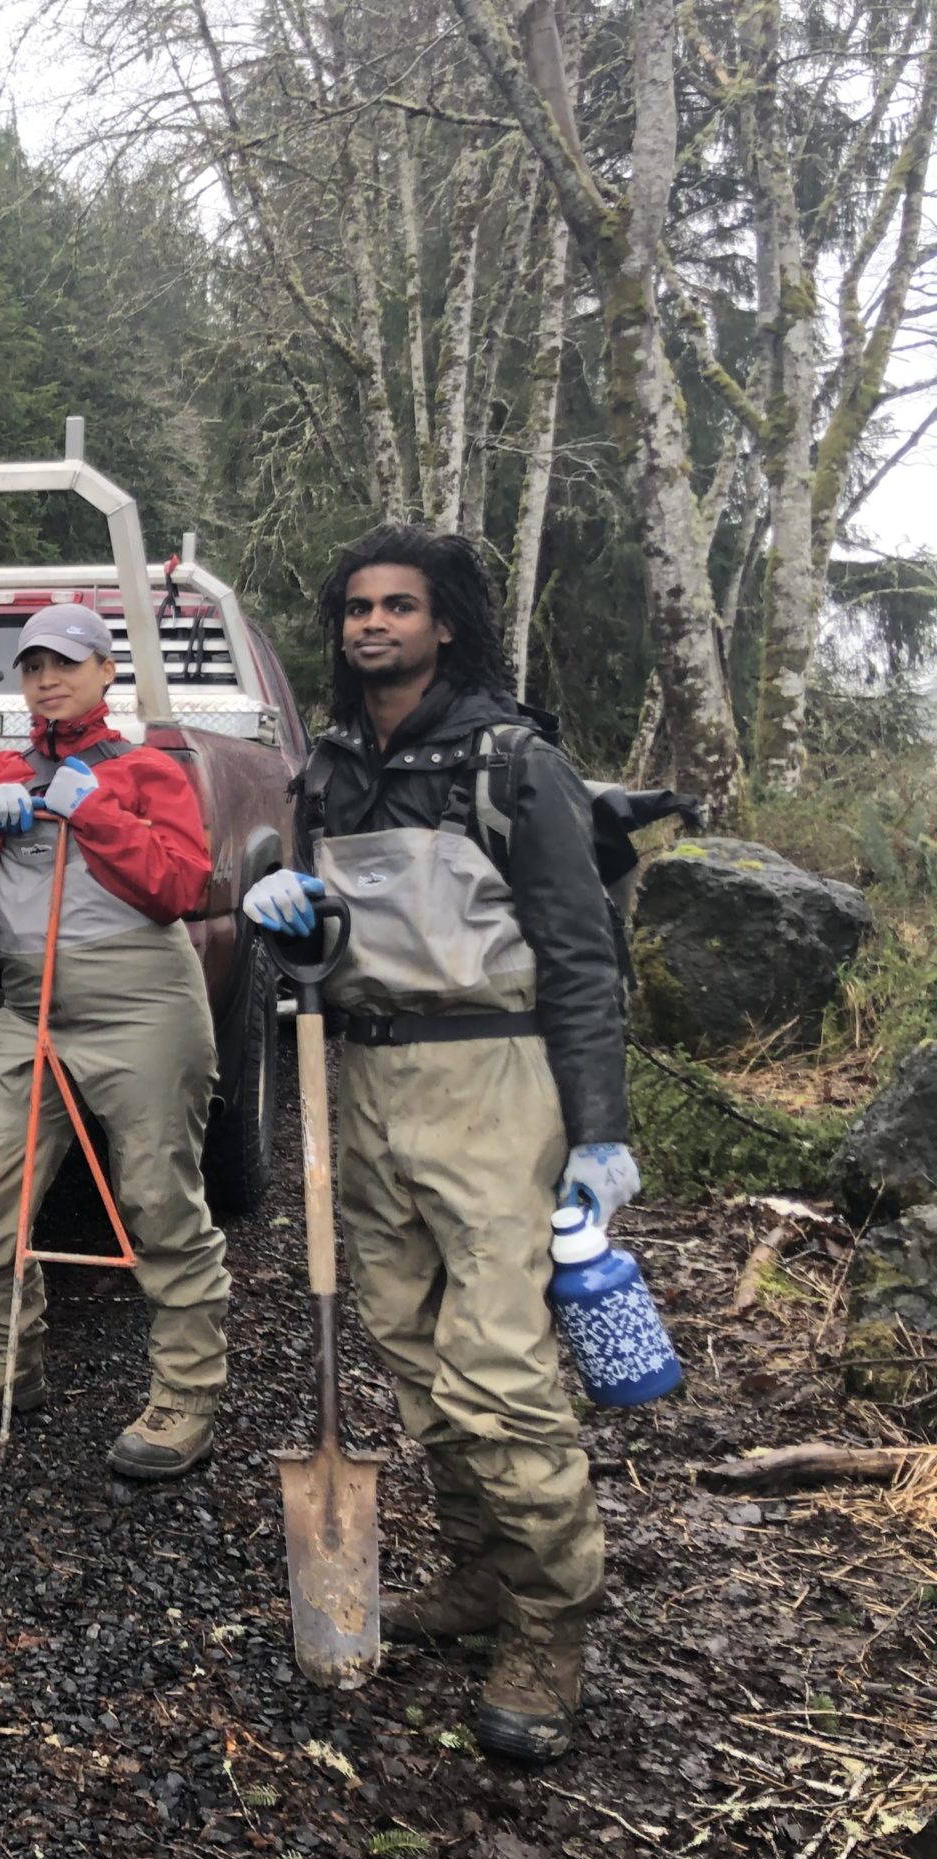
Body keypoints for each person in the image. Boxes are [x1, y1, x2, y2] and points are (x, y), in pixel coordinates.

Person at [241, 524, 633, 1762]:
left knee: (501, 1372)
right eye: (356, 605)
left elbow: (579, 954)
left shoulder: (514, 763)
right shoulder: (331, 768)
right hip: (365, 1076)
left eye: (398, 606)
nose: (372, 625)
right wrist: (291, 936)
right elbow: (323, 943)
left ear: (445, 621)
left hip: (493, 1079)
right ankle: (477, 1576)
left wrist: (598, 1131)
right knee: (411, 1351)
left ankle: (548, 1623)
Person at [0, 604, 232, 1475]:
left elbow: (181, 887)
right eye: (32, 666)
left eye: (66, 662)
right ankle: (7, 1357)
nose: (47, 679)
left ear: (105, 672)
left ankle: (185, 1395)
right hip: (32, 1009)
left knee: (158, 1201)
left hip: (144, 1006)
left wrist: (96, 815)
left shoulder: (146, 770)